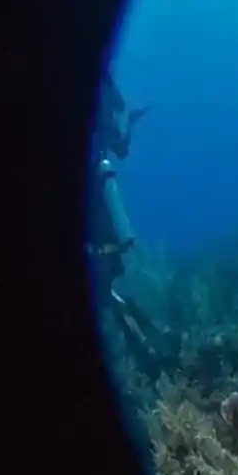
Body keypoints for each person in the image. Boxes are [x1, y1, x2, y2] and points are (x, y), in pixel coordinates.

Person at [87, 77, 163, 366]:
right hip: (102, 197)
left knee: (105, 289)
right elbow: (122, 150)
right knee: (106, 290)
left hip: (97, 199)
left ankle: (148, 349)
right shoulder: (107, 104)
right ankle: (149, 342)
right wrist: (129, 122)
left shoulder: (101, 104)